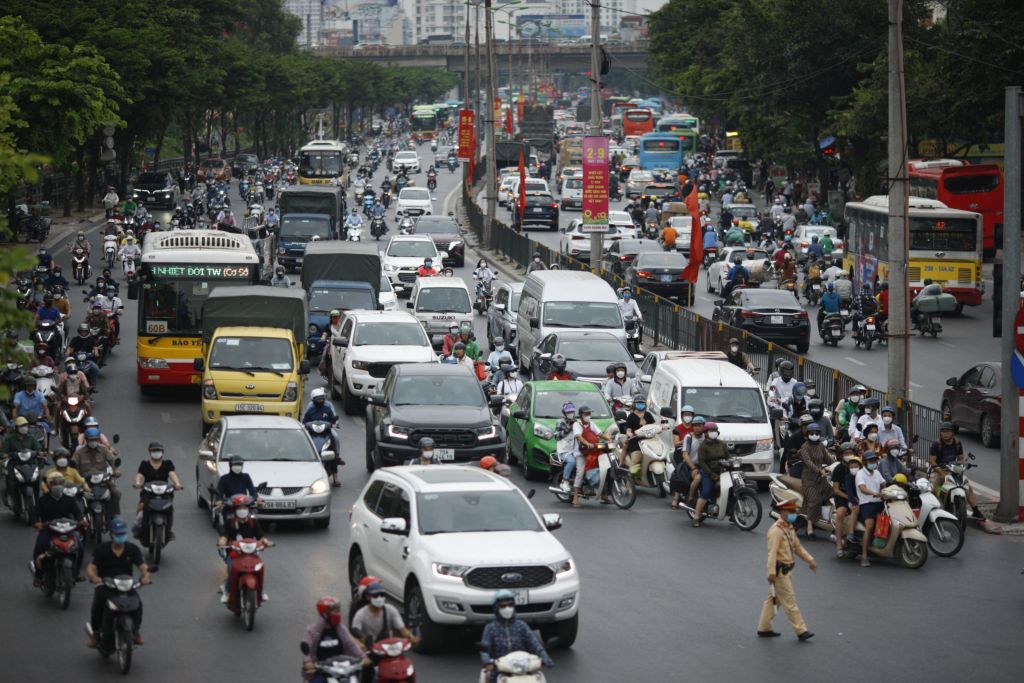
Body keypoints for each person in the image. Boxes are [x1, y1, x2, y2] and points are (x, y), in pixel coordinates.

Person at [86, 517, 151, 647]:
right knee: (98, 602)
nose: (121, 536)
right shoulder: (102, 549)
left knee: (138, 604)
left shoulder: (132, 549)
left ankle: (135, 630)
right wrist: (94, 577)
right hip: (106, 584)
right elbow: (91, 567)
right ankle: (96, 632)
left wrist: (145, 576)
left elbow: (142, 566)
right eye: (118, 534)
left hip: (126, 585)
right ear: (111, 534)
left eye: (123, 533)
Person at [757, 499, 816, 641]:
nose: (794, 514)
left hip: (787, 570)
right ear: (783, 512)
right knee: (790, 601)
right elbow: (772, 553)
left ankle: (763, 628)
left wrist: (810, 560)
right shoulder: (776, 531)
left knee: (774, 600)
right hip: (779, 572)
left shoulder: (788, 527)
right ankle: (801, 631)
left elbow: (797, 547)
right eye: (791, 512)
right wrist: (771, 573)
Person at [480, 589, 555, 681]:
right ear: (496, 608)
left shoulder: (521, 626)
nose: (507, 608)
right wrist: (487, 662)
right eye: (503, 606)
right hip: (499, 670)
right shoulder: (490, 628)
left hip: (524, 669)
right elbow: (485, 649)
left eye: (510, 605)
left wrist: (545, 657)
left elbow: (535, 644)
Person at [31, 472, 86, 584]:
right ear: (49, 485)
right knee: (39, 546)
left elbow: (78, 513)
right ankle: (39, 575)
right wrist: (38, 523)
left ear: (64, 484)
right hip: (48, 530)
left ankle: (76, 573)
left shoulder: (69, 499)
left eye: (60, 483)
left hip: (68, 529)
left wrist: (82, 521)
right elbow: (35, 515)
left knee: (80, 547)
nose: (57, 485)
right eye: (54, 483)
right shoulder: (43, 500)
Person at [217, 494, 273, 602]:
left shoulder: (253, 522)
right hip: (234, 553)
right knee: (231, 568)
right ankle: (227, 591)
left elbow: (260, 536)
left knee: (259, 568)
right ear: (235, 510)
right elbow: (224, 535)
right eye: (239, 508)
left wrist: (266, 541)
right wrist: (222, 540)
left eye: (244, 508)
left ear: (248, 509)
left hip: (252, 553)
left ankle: (261, 591)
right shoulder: (230, 523)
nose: (242, 510)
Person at [302, 597, 367, 682]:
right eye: (335, 611)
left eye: (338, 611)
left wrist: (363, 657)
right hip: (322, 671)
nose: (338, 614)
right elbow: (307, 649)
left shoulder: (341, 629)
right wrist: (308, 662)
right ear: (325, 614)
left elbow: (351, 644)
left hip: (343, 668)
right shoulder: (312, 631)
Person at [929, 421, 984, 520]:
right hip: (938, 470)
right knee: (931, 486)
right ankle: (931, 509)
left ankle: (976, 511)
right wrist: (941, 473)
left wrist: (960, 468)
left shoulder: (957, 443)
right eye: (943, 431)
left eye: (947, 431)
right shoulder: (936, 444)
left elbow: (961, 458)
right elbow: (932, 461)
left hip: (953, 469)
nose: (945, 434)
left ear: (952, 432)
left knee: (968, 487)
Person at [132, 440, 183, 541]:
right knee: (142, 506)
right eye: (154, 450)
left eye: (158, 450)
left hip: (165, 492)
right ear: (150, 452)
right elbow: (140, 475)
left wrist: (177, 484)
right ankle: (138, 526)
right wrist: (137, 482)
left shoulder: (167, 464)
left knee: (170, 509)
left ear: (162, 452)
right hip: (148, 493)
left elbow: (172, 474)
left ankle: (168, 531)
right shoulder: (145, 464)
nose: (156, 452)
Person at [351, 582, 419, 651]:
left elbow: (403, 630)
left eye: (382, 595)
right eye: (375, 595)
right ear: (368, 597)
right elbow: (355, 632)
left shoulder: (391, 610)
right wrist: (362, 642)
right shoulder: (360, 614)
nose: (379, 597)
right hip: (370, 650)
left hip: (389, 649)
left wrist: (411, 637)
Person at [73, 427, 121, 517]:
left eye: (95, 439)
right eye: (91, 440)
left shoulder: (103, 450)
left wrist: (115, 471)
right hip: (84, 481)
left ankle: (114, 516)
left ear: (98, 439)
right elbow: (73, 464)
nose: (93, 442)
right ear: (86, 440)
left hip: (103, 480)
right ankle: (78, 519)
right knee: (73, 495)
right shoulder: (79, 452)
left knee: (116, 493)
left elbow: (111, 460)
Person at [797, 423, 833, 538]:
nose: (814, 435)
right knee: (814, 500)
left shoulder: (821, 446)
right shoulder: (804, 447)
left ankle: (830, 520)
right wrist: (819, 470)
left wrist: (837, 464)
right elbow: (808, 462)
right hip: (809, 480)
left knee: (834, 492)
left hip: (821, 479)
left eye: (817, 433)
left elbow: (828, 458)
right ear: (808, 435)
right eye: (812, 433)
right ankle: (809, 528)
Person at [692, 422, 729, 527]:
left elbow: (728, 456)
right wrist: (712, 474)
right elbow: (702, 463)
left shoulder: (721, 443)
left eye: (715, 430)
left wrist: (733, 462)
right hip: (707, 472)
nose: (714, 432)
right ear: (706, 433)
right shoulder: (703, 446)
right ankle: (696, 516)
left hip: (721, 471)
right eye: (711, 430)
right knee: (706, 492)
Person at [855, 451, 886, 566]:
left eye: (874, 460)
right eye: (871, 461)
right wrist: (875, 493)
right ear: (865, 462)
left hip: (879, 502)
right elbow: (862, 488)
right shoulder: (860, 474)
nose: (873, 463)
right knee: (870, 525)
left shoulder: (877, 472)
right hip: (866, 503)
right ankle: (864, 556)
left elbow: (884, 484)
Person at [572, 406, 605, 506]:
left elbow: (600, 434)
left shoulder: (592, 424)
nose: (588, 416)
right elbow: (578, 436)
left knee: (605, 469)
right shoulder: (576, 424)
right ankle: (575, 497)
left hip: (593, 451)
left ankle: (605, 495)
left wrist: (611, 439)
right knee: (580, 472)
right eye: (586, 414)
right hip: (581, 453)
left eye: (589, 414)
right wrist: (587, 443)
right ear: (581, 415)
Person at [623, 394, 656, 469]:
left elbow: (654, 425)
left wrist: (661, 427)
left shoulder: (648, 415)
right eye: (638, 403)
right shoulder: (631, 416)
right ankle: (630, 479)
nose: (640, 404)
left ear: (645, 404)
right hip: (635, 440)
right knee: (636, 461)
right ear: (634, 404)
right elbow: (628, 430)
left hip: (649, 440)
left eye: (642, 403)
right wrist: (630, 434)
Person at [554, 402, 580, 491]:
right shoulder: (560, 422)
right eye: (568, 412)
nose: (570, 414)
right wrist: (569, 428)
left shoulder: (577, 422)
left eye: (572, 412)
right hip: (564, 450)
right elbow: (557, 437)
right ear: (564, 413)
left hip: (575, 449)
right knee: (572, 462)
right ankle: (564, 481)